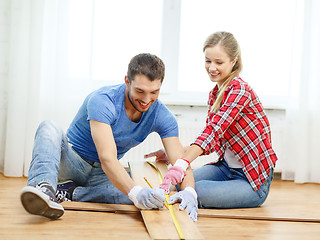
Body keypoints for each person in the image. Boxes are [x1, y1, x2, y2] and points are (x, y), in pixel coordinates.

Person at [20, 53, 192, 220]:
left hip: (103, 176)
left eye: (154, 92)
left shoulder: (162, 115)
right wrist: (135, 192)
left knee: (149, 195)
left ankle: (70, 192)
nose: (147, 99)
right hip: (74, 163)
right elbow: (107, 158)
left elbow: (181, 162)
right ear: (127, 81)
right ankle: (43, 189)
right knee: (49, 127)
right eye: (140, 91)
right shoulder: (103, 100)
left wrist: (189, 192)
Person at [157, 31, 278, 209]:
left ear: (234, 61)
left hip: (251, 180)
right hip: (226, 169)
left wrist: (182, 162)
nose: (212, 67)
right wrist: (176, 153)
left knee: (197, 190)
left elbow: (214, 129)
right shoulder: (215, 94)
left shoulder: (240, 91)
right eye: (208, 61)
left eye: (219, 62)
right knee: (183, 183)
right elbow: (212, 140)